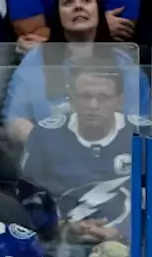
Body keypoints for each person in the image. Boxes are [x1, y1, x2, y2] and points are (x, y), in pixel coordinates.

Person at [19, 60, 137, 246]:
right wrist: (61, 228)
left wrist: (122, 232)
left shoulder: (141, 135)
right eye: (85, 96)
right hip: (60, 247)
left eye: (103, 97)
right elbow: (27, 200)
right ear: (71, 99)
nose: (93, 104)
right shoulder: (45, 136)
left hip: (129, 245)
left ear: (119, 101)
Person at [2, 0, 149, 144]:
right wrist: (45, 148)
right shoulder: (35, 61)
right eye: (68, 3)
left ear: (98, 10)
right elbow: (14, 120)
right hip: (51, 159)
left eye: (86, 1)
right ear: (57, 14)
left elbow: (141, 120)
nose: (78, 6)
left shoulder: (123, 63)